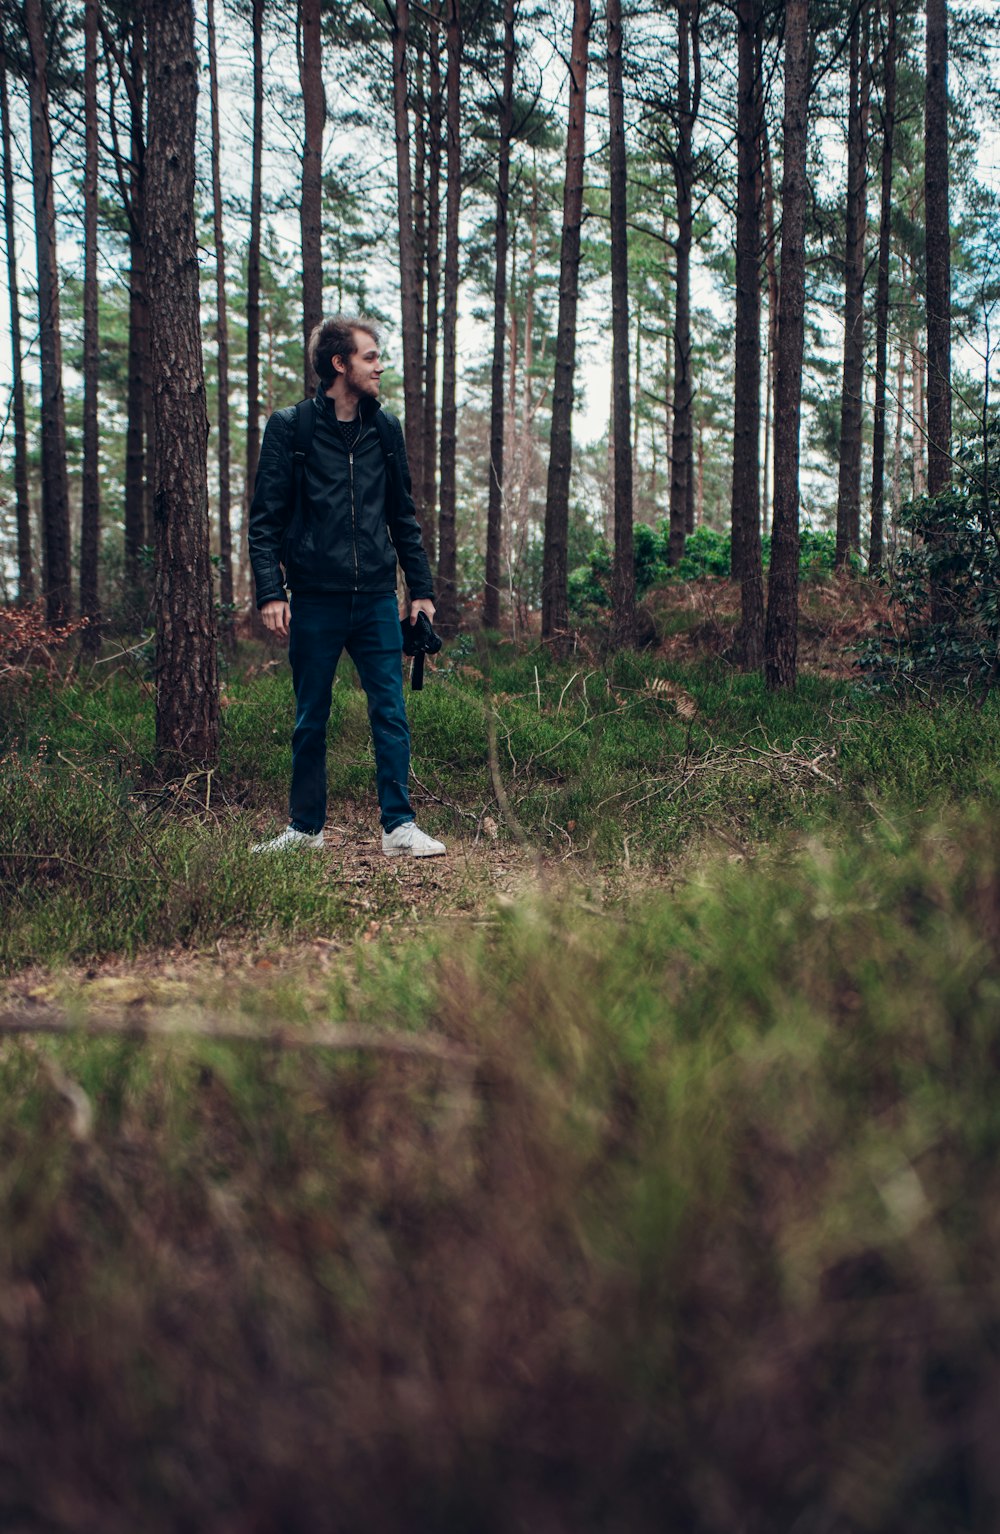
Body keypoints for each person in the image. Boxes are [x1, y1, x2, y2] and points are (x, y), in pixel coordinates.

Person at [248, 314, 446, 858]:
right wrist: (270, 591)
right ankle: (304, 830)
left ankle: (399, 827)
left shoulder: (385, 430)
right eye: (369, 356)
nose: (379, 365)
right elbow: (264, 520)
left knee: (391, 711)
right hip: (313, 598)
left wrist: (420, 590)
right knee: (311, 716)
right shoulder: (292, 428)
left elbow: (403, 517)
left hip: (378, 597)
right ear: (340, 364)